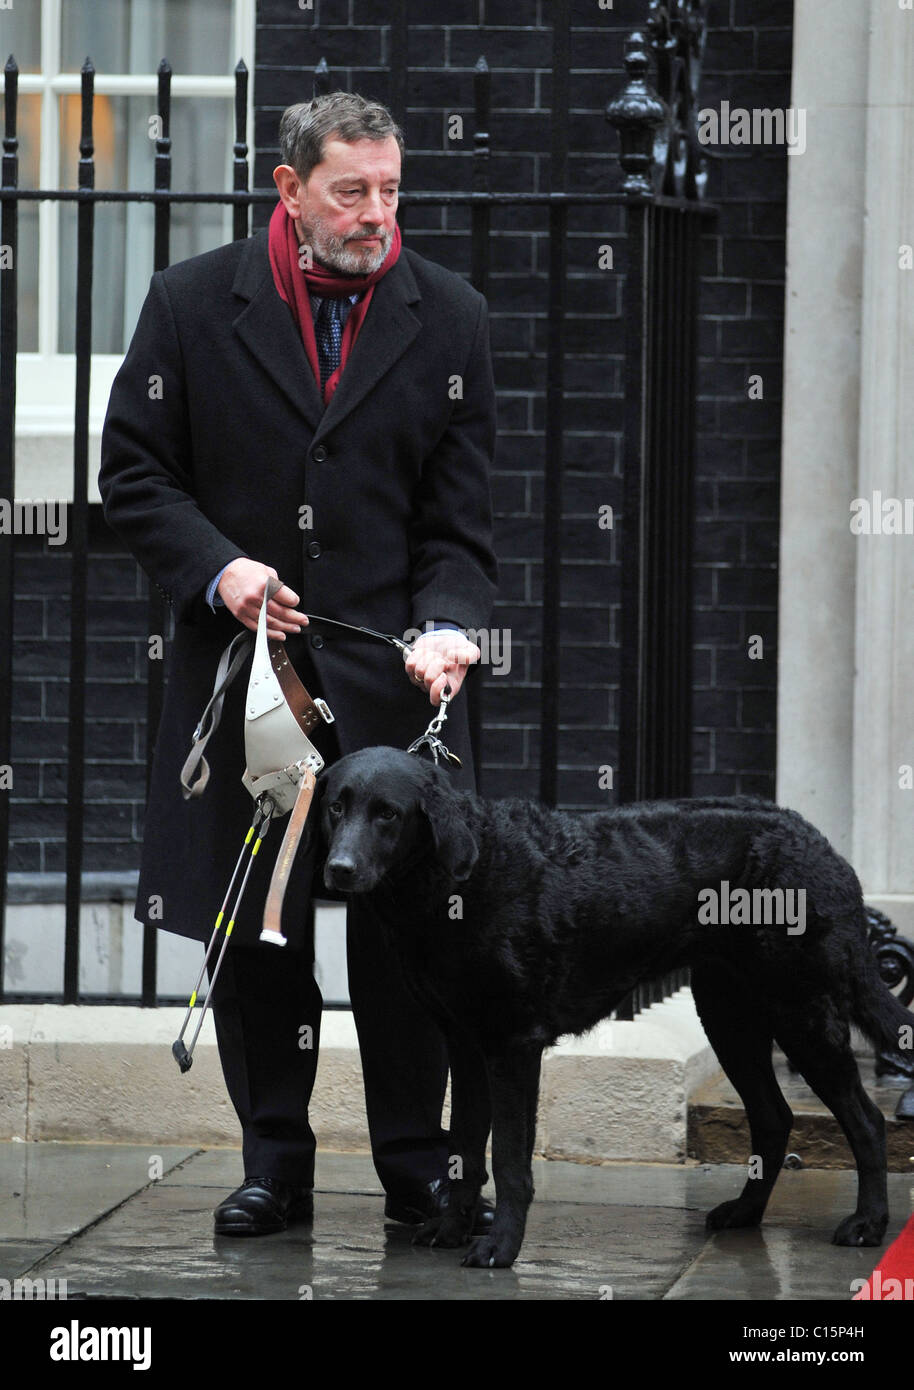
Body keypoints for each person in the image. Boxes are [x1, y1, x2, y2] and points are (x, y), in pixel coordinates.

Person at [99, 90, 498, 1236]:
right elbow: (134, 476)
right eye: (350, 191)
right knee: (260, 934)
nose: (377, 214)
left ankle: (417, 1169)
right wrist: (221, 570)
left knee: (404, 940)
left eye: (390, 190)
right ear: (288, 190)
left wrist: (450, 622)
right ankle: (274, 1162)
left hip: (391, 694)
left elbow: (458, 527)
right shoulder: (188, 304)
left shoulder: (452, 316)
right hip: (248, 682)